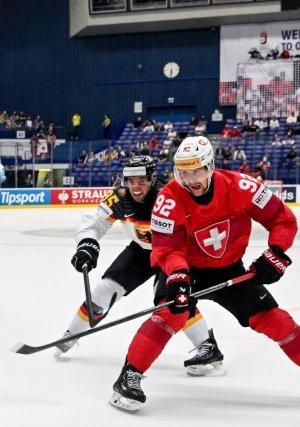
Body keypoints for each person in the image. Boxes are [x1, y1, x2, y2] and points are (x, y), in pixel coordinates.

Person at [109, 136, 300, 412]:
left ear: (210, 167)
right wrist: (177, 278)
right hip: (186, 270)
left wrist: (277, 253)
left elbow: (282, 219)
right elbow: (167, 248)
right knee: (168, 315)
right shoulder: (168, 199)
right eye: (183, 172)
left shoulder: (242, 187)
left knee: (277, 320)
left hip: (230, 270)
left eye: (196, 171)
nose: (189, 179)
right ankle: (128, 377)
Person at [55, 155, 225, 376]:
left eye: (142, 180)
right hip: (140, 252)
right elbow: (95, 222)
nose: (136, 186)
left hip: (172, 253)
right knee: (105, 289)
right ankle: (72, 333)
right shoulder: (119, 199)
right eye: (131, 180)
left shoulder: (171, 196)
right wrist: (87, 243)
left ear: (153, 180)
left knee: (172, 298)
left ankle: (207, 345)